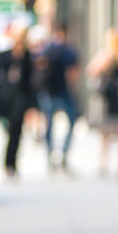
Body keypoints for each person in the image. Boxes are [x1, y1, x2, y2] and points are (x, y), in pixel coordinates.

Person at [85, 28, 118, 177]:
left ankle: (104, 164)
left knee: (107, 134)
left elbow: (91, 70)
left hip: (111, 99)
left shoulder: (108, 56)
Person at [37, 22, 79, 171]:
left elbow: (39, 67)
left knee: (49, 124)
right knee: (71, 122)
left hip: (48, 91)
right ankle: (63, 155)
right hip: (63, 91)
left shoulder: (47, 49)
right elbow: (72, 73)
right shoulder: (69, 50)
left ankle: (50, 156)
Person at [0, 27, 36, 177]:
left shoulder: (27, 57)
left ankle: (11, 164)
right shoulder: (6, 56)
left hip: (20, 99)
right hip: (6, 100)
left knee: (16, 132)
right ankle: (7, 163)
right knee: (8, 131)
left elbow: (30, 82)